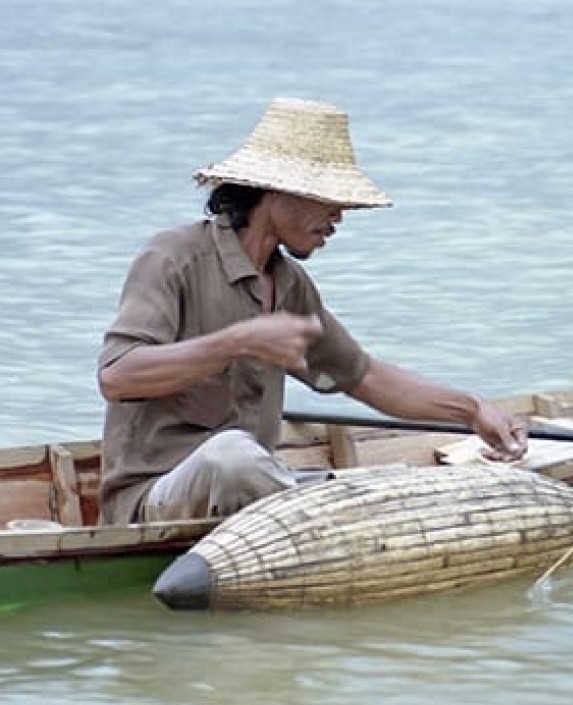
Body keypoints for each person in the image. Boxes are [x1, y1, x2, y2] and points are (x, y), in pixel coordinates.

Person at [97, 97, 528, 525]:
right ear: (276, 192)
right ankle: (318, 519)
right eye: (329, 200)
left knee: (329, 478)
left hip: (252, 503)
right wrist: (237, 342)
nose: (338, 217)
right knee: (233, 456)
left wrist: (472, 409)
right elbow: (117, 377)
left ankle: (322, 513)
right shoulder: (174, 258)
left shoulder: (289, 285)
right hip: (154, 498)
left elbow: (367, 377)